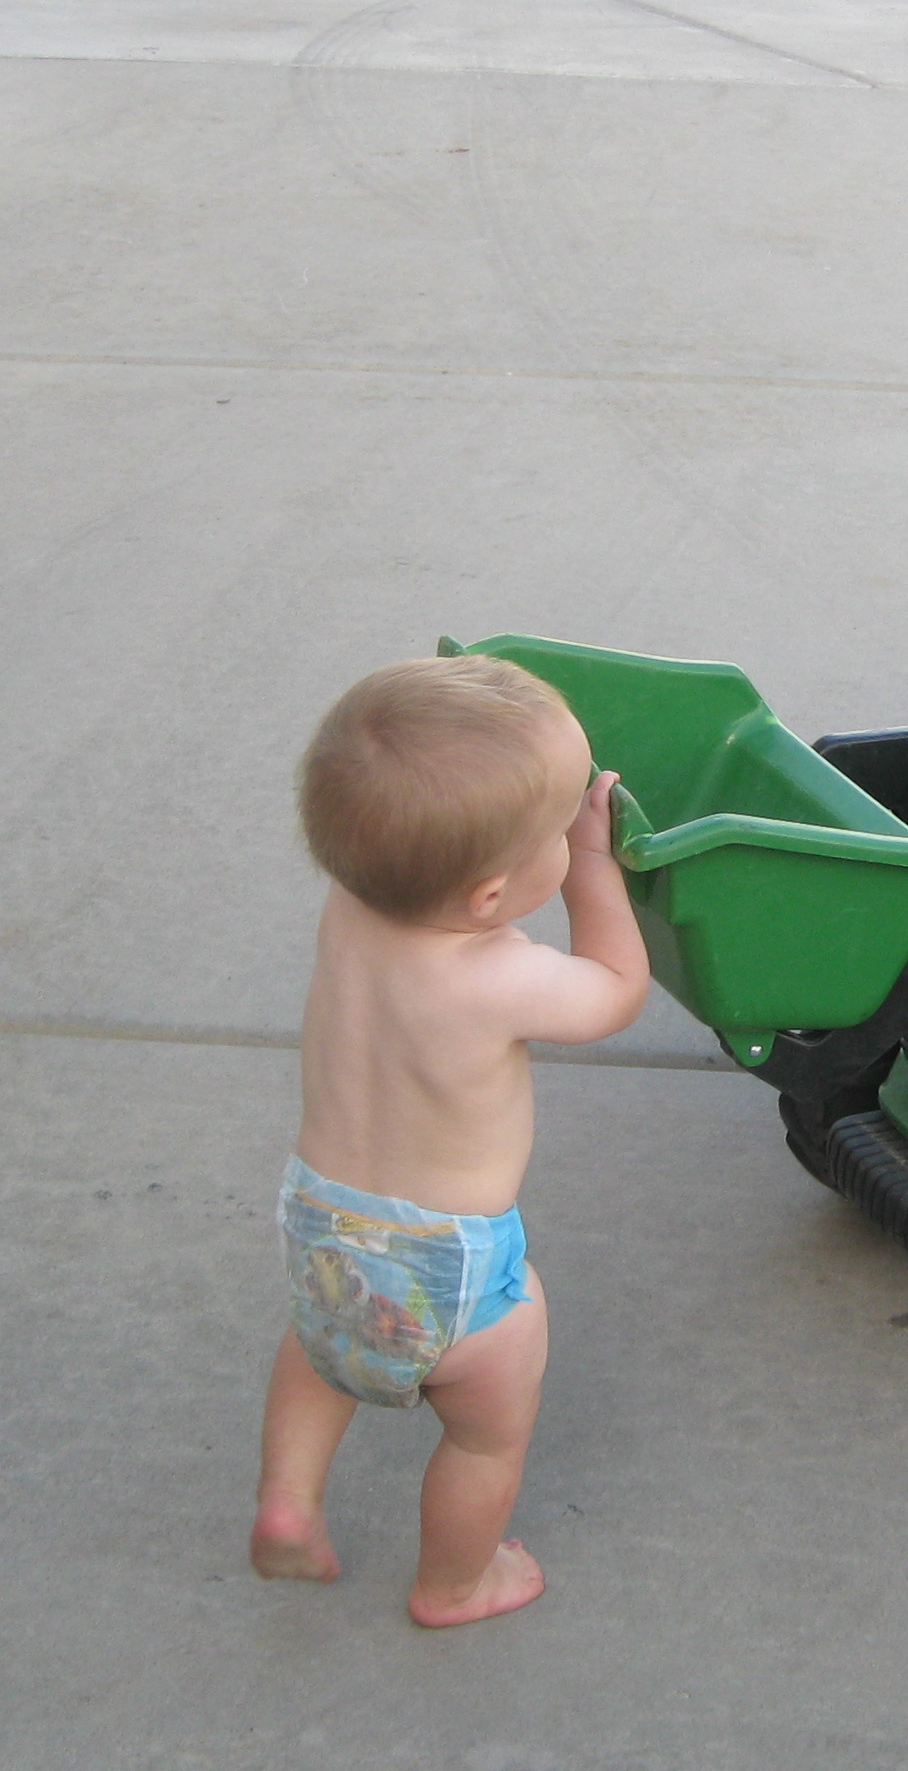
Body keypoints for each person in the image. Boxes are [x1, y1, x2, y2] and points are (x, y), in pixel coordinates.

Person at [249, 654, 649, 1626]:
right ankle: (455, 1584)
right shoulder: (497, 974)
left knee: (319, 1348)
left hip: (321, 1222)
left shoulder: (348, 910)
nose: (572, 833)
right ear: (487, 896)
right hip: (454, 1273)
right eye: (559, 828)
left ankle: (290, 1502)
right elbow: (613, 990)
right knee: (482, 1441)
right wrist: (594, 868)